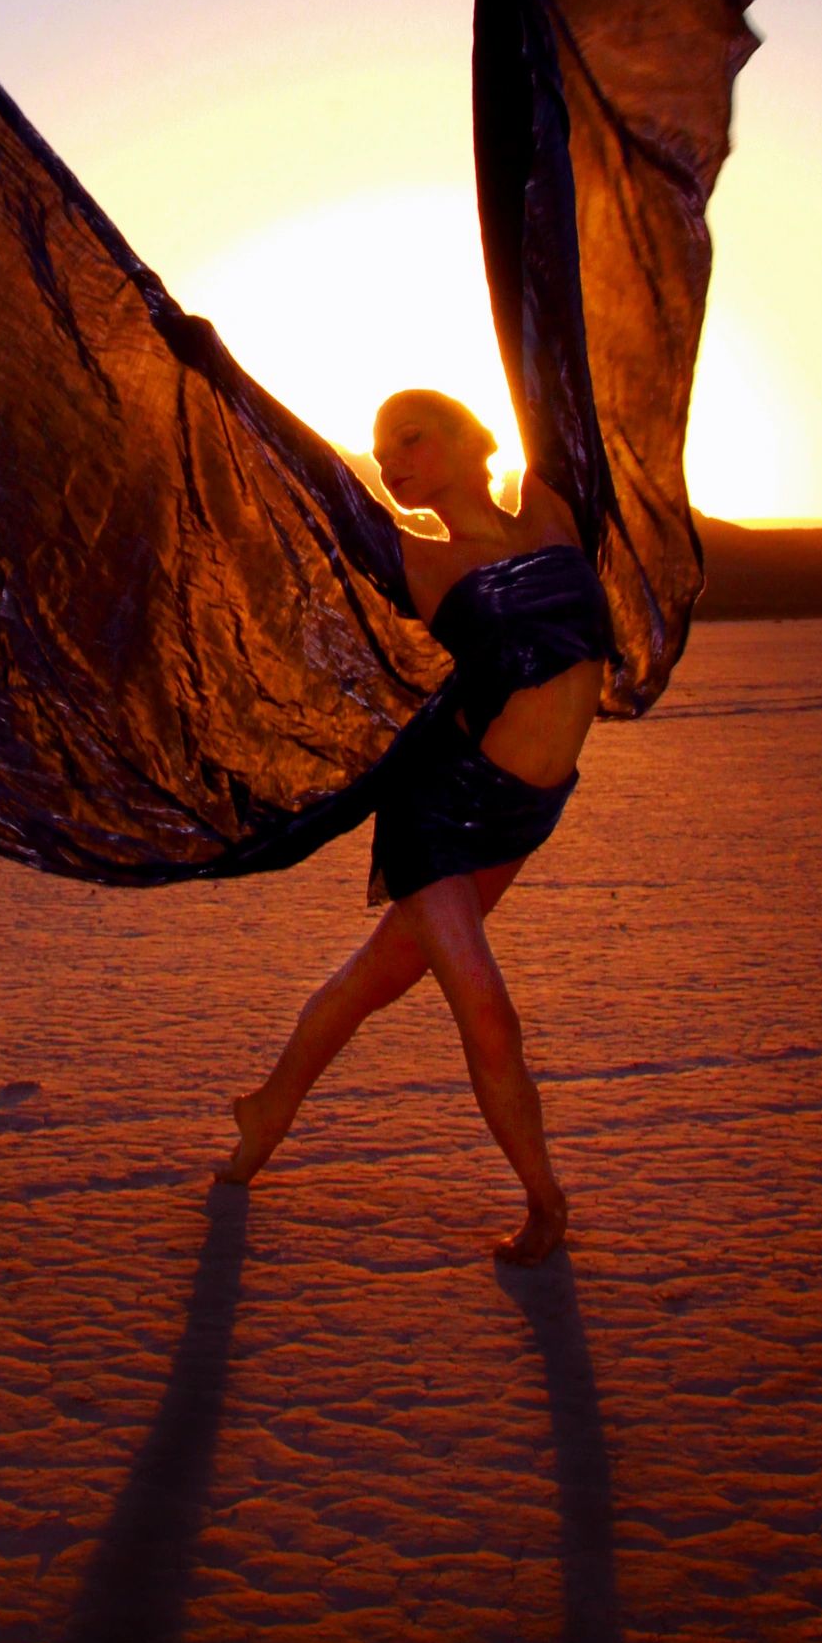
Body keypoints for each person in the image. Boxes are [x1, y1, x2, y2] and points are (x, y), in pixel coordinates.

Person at [216, 387, 613, 1265]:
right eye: (382, 449)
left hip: (522, 811)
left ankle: (267, 1109)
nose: (391, 460)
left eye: (411, 437)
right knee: (487, 1013)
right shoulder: (422, 563)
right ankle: (545, 1202)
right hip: (438, 808)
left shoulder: (551, 509)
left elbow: (553, 365)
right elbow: (322, 481)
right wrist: (220, 370)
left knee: (370, 982)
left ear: (477, 438)